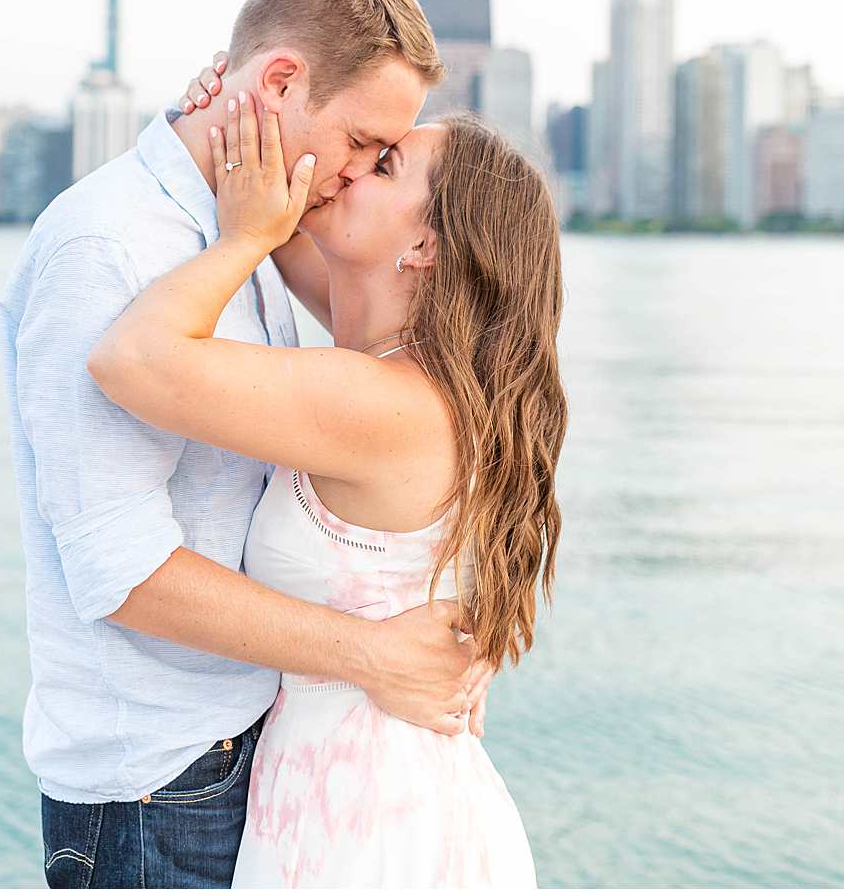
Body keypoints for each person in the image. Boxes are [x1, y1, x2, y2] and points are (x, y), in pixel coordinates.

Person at [0, 0, 493, 889]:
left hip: (250, 755)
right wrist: (373, 655)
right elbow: (121, 570)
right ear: (279, 81)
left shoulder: (256, 228)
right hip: (153, 787)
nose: (353, 176)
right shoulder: (108, 250)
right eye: (360, 143)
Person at [89, 76, 568, 885]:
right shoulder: (400, 359)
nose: (349, 170)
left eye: (382, 167)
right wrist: (236, 94)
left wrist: (237, 240)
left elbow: (128, 359)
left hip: (365, 823)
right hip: (376, 793)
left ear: (425, 247)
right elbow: (299, 228)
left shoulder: (382, 402)